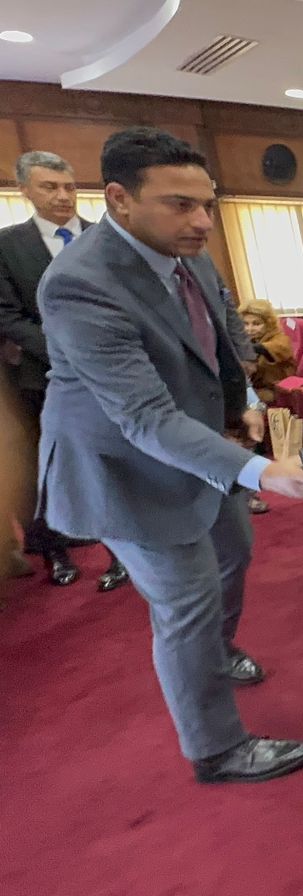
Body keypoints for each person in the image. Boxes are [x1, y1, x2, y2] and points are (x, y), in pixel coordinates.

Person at [36, 126, 303, 780]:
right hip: (125, 468)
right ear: (120, 199)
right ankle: (216, 748)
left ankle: (217, 650)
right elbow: (145, 417)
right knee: (186, 602)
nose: (203, 221)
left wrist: (247, 402)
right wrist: (264, 473)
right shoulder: (79, 283)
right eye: (180, 204)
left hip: (203, 445)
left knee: (234, 553)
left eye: (207, 203)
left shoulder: (189, 252)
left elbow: (224, 335)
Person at [0, 149, 127, 589]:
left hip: (112, 372)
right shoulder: (7, 245)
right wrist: (63, 351)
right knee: (49, 468)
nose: (62, 196)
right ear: (24, 190)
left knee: (112, 463)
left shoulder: (106, 237)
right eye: (49, 187)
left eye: (69, 187)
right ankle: (55, 552)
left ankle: (121, 552)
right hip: (43, 375)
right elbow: (7, 315)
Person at [239, 300, 296, 404]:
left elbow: (266, 348)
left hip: (277, 392)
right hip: (255, 389)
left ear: (268, 324)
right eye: (245, 324)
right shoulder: (252, 339)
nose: (249, 329)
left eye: (256, 324)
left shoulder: (280, 338)